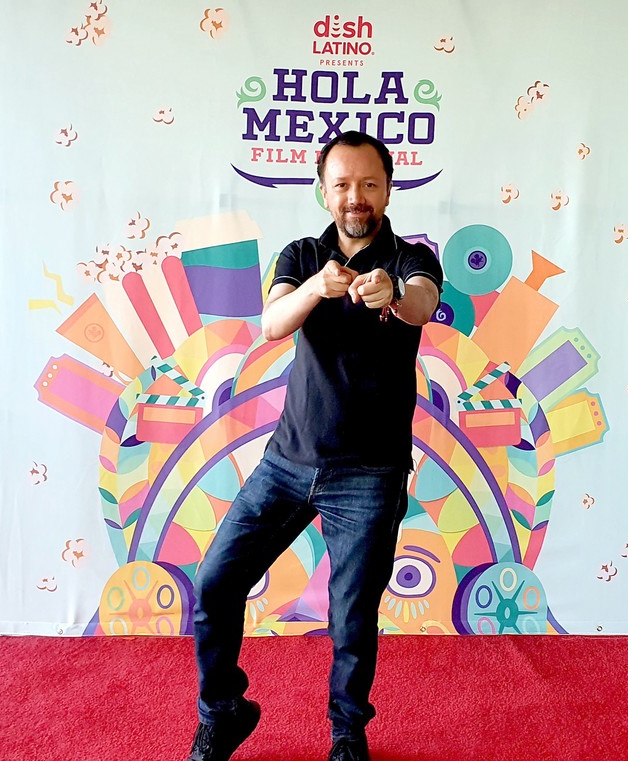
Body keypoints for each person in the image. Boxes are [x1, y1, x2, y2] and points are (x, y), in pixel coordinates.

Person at [187, 131, 443, 761]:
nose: (356, 197)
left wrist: (391, 293)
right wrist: (315, 289)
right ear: (324, 191)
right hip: (287, 462)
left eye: (369, 184)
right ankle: (223, 712)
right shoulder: (302, 255)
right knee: (215, 583)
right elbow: (272, 324)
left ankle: (347, 735)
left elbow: (422, 303)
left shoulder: (411, 258)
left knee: (351, 618)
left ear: (388, 190)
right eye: (343, 184)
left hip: (370, 474)